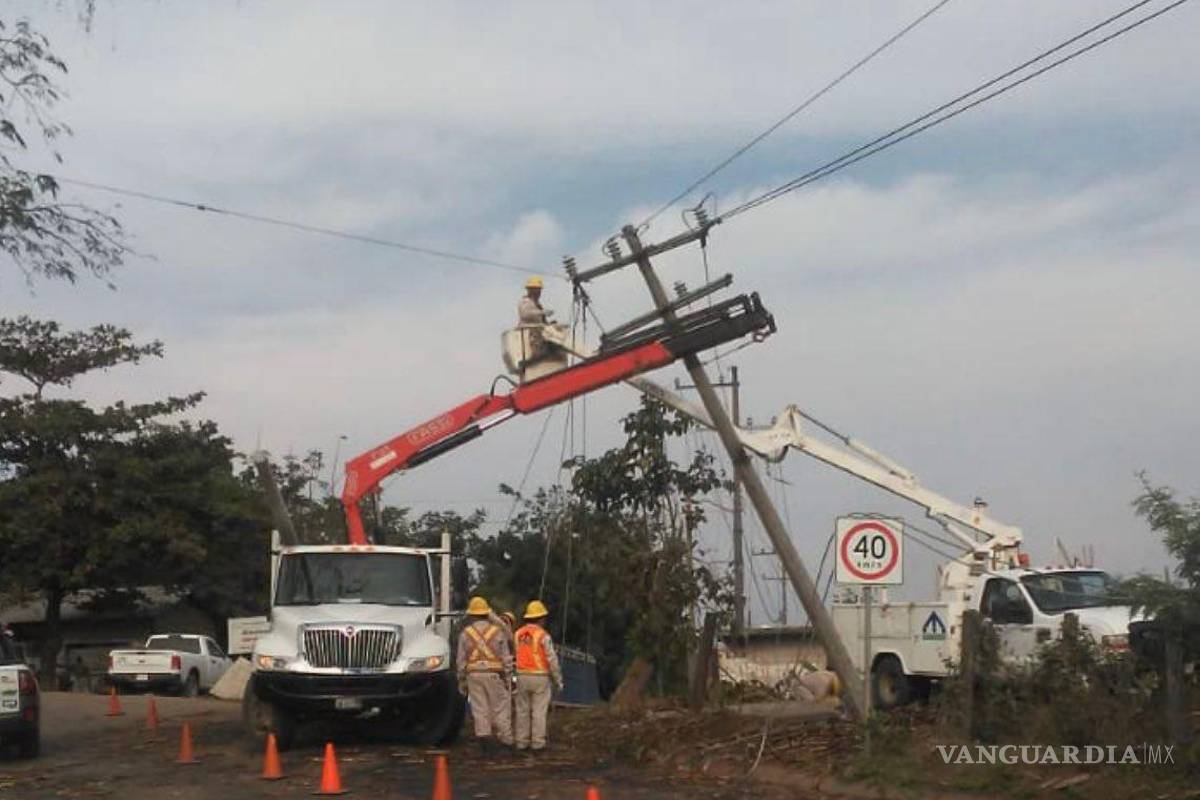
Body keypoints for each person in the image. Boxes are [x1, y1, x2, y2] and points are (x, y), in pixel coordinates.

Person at [456, 596, 513, 753]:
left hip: (473, 675)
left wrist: (462, 680)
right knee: (500, 708)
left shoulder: (465, 633)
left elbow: (461, 660)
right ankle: (505, 741)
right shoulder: (497, 632)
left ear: (472, 615)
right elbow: (506, 658)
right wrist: (507, 677)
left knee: (480, 708)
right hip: (495, 674)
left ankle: (484, 741)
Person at [513, 600, 563, 752]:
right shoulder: (543, 635)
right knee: (539, 711)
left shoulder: (518, 634)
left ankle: (521, 742)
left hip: (521, 675)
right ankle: (537, 743)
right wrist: (558, 680)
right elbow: (552, 659)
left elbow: (517, 653)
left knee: (522, 710)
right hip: (540, 676)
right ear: (541, 618)